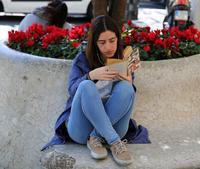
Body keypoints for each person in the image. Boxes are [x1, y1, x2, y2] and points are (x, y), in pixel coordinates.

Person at [42, 15, 150, 166]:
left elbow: (127, 97)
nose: (108, 47)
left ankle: (97, 138)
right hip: (81, 130)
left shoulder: (123, 59)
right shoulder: (83, 59)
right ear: (94, 43)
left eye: (112, 40)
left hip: (114, 125)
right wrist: (90, 75)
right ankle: (114, 142)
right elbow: (73, 91)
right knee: (86, 85)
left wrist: (128, 79)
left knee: (126, 88)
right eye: (102, 42)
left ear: (118, 39)